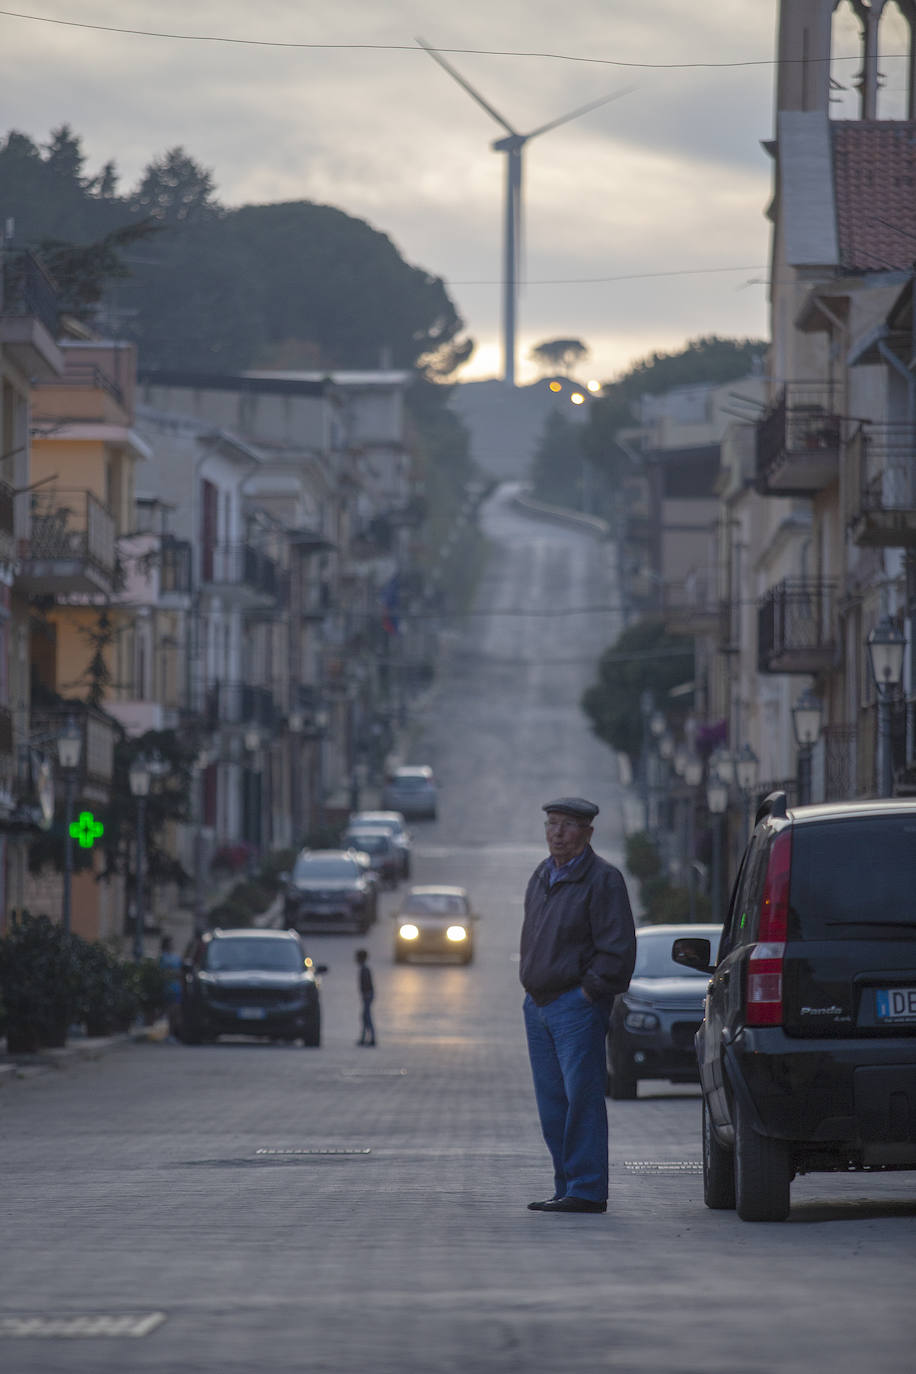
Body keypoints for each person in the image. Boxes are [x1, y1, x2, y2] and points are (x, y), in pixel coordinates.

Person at [520, 797, 636, 1214]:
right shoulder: (541, 875)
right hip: (538, 1007)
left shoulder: (603, 879)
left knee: (581, 1099)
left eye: (567, 826)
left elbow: (618, 950)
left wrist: (589, 993)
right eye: (552, 824)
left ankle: (586, 1189)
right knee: (553, 1105)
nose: (557, 833)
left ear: (587, 832)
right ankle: (566, 1186)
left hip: (576, 1007)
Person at [355, 948, 376, 1046]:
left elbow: (367, 984)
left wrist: (365, 994)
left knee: (366, 1017)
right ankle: (365, 1038)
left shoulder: (365, 970)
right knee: (365, 1017)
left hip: (367, 995)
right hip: (367, 995)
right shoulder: (364, 969)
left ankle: (371, 1038)